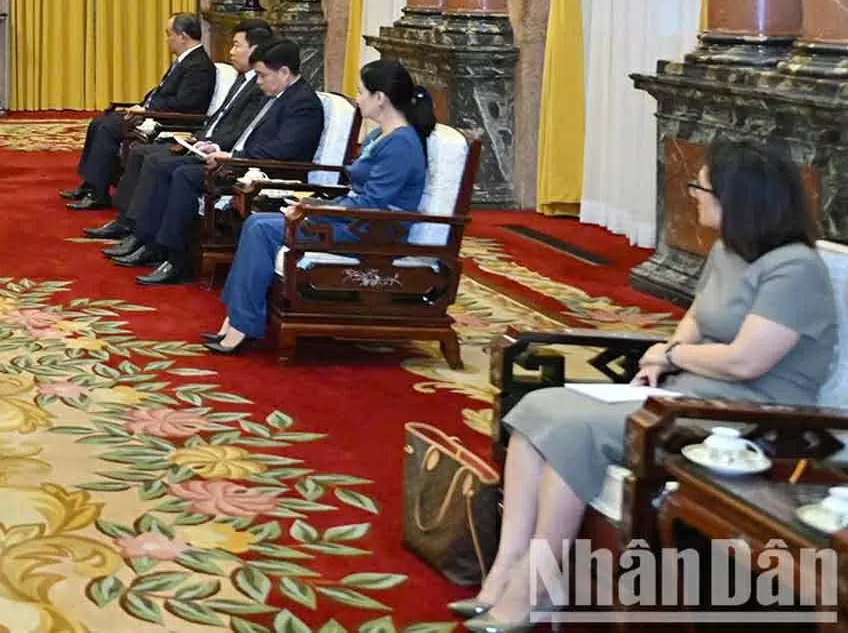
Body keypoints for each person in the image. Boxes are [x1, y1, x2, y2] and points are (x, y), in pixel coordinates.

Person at [461, 141, 840, 631]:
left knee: (574, 429)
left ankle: (538, 588)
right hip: (692, 394)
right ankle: (506, 570)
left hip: (751, 417)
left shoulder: (795, 269)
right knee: (539, 407)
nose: (693, 195)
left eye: (701, 187)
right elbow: (696, 319)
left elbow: (746, 361)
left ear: (738, 198)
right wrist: (664, 355)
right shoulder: (728, 249)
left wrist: (673, 356)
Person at [204, 57, 433, 353]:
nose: (357, 98)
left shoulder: (401, 143)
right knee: (258, 223)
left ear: (380, 98)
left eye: (361, 92)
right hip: (356, 218)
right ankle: (236, 321)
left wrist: (313, 211)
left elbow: (372, 203)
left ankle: (241, 325)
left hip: (374, 229)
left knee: (261, 228)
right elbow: (360, 195)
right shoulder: (381, 135)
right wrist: (312, 205)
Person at [116, 38, 324, 285]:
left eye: (262, 75)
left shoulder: (303, 104)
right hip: (240, 162)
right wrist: (218, 148)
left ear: (284, 72)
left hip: (266, 174)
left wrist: (234, 157)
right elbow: (243, 132)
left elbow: (282, 150)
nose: (258, 82)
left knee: (183, 174)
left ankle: (177, 259)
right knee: (168, 165)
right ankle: (149, 240)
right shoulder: (277, 93)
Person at [87, 20, 272, 242]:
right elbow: (219, 118)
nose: (230, 52)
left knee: (159, 162)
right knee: (140, 151)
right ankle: (127, 222)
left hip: (220, 153)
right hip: (204, 141)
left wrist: (212, 144)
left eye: (236, 45)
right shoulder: (243, 79)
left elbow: (237, 127)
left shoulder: (258, 87)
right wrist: (200, 138)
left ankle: (148, 238)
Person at [64, 13, 217, 210]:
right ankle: (89, 185)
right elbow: (163, 92)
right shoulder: (184, 60)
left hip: (169, 121)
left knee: (108, 128)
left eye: (169, 34)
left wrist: (147, 110)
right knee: (99, 122)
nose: (167, 40)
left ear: (183, 36)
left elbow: (186, 103)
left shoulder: (199, 65)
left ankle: (98, 194)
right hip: (151, 114)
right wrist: (142, 106)